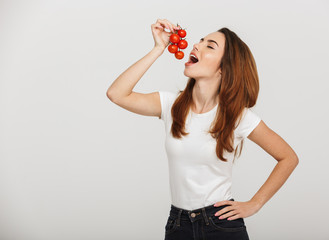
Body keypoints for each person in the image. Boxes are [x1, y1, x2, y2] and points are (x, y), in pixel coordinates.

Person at [106, 18, 299, 240]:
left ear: (223, 68)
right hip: (178, 224)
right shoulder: (171, 105)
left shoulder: (238, 117)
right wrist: (158, 48)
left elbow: (288, 157)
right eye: (200, 40)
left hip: (221, 224)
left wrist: (255, 204)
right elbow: (116, 94)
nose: (196, 45)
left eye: (210, 46)